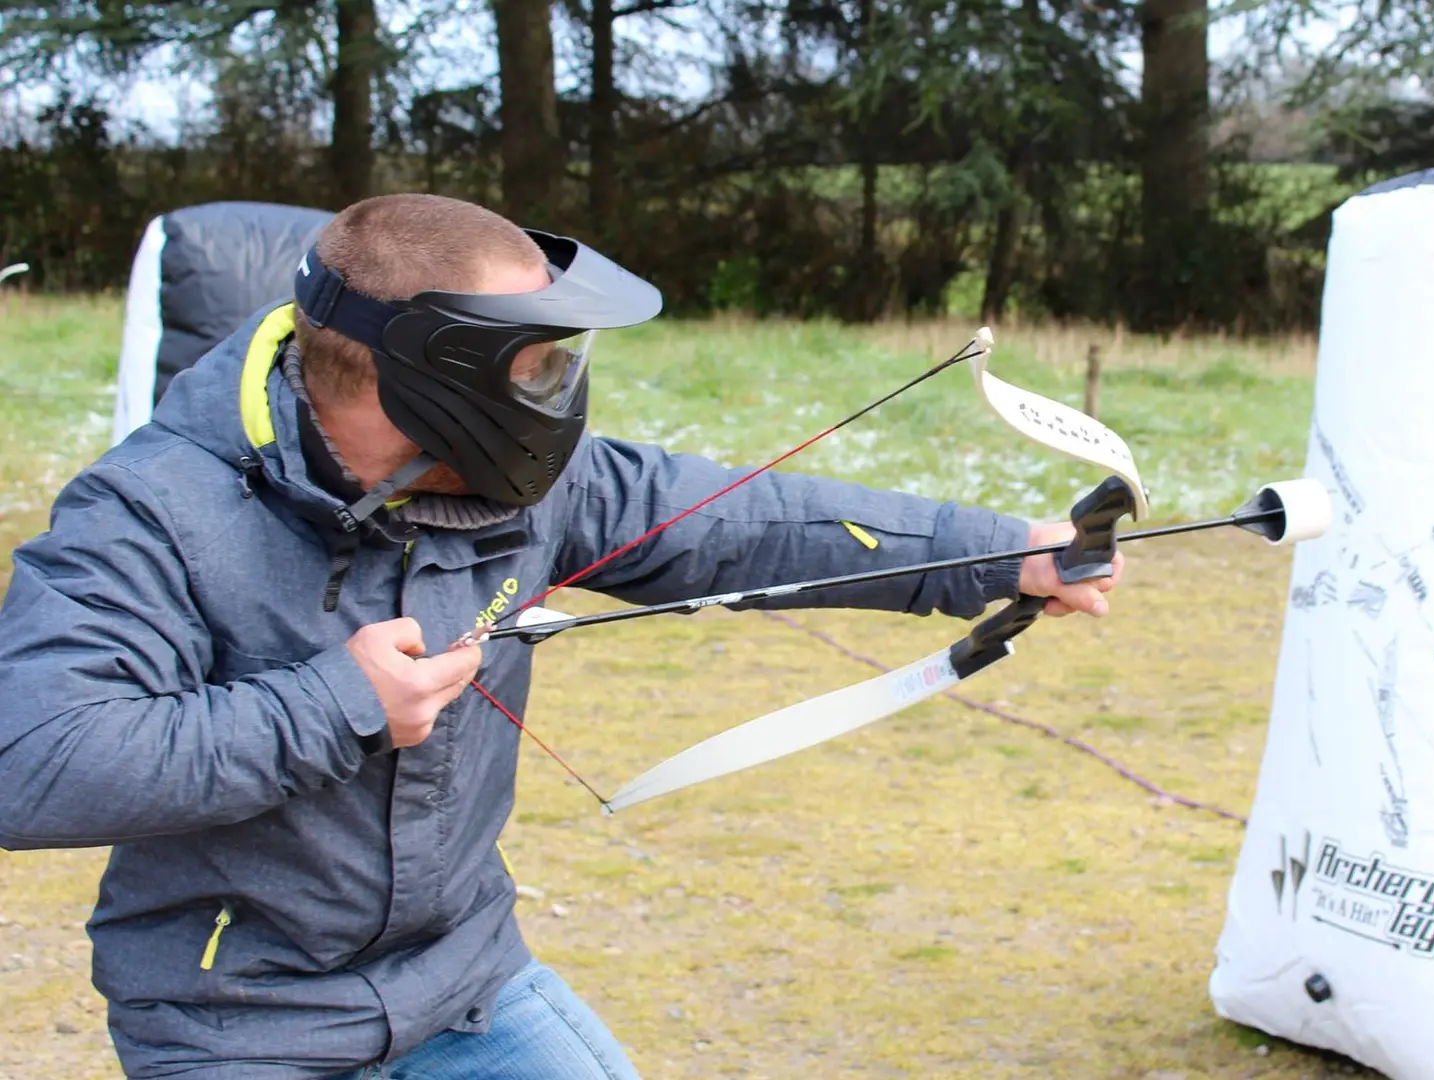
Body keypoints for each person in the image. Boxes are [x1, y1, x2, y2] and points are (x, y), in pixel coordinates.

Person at [0, 193, 1124, 1079]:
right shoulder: (151, 512)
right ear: (435, 373)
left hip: (465, 981)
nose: (561, 389)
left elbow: (740, 523)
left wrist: (995, 554)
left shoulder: (516, 487)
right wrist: (336, 704)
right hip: (235, 1023)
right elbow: (34, 763)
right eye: (536, 363)